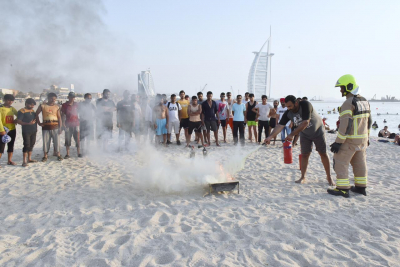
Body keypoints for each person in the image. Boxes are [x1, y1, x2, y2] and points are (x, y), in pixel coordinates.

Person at [265, 95, 334, 186]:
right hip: (305, 134)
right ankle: (303, 177)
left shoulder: (305, 105)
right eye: (287, 106)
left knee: (323, 153)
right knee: (305, 154)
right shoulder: (288, 112)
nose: (288, 108)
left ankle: (329, 177)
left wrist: (291, 135)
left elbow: (306, 122)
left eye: (290, 106)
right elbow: (280, 126)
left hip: (318, 131)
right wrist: (270, 137)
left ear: (296, 103)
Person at [328, 74, 372, 198]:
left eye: (342, 87)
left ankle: (342, 189)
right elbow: (369, 122)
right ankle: (360, 187)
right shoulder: (365, 101)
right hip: (362, 140)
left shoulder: (348, 102)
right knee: (360, 163)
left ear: (349, 86)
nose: (341, 90)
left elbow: (345, 124)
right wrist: (367, 138)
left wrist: (338, 142)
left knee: (340, 162)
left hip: (350, 140)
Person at [36, 93, 63, 162]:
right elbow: (36, 114)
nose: (53, 100)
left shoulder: (57, 106)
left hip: (55, 127)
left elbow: (59, 117)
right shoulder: (43, 106)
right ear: (48, 98)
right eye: (51, 98)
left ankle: (58, 154)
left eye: (54, 99)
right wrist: (39, 123)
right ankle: (45, 155)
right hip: (46, 127)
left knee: (57, 142)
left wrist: (60, 127)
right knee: (46, 142)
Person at [17, 98, 38, 167]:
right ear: (26, 104)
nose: (32, 106)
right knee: (26, 145)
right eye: (31, 105)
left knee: (32, 144)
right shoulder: (22, 111)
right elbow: (19, 121)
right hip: (26, 131)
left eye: (33, 105)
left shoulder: (33, 111)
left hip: (34, 130)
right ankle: (24, 161)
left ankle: (29, 158)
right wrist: (28, 123)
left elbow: (36, 119)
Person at [0, 94, 18, 166]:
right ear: (5, 100)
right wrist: (2, 130)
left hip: (12, 129)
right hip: (3, 130)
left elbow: (19, 115)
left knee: (11, 145)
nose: (10, 102)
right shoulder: (0, 108)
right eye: (9, 100)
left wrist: (16, 120)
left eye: (12, 100)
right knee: (1, 147)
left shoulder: (12, 108)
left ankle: (9, 160)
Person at [61, 92, 81, 158]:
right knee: (67, 139)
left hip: (76, 124)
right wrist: (63, 123)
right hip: (68, 124)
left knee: (77, 139)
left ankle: (79, 153)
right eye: (71, 97)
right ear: (68, 97)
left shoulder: (77, 105)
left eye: (73, 97)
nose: (72, 98)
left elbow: (81, 112)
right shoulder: (64, 105)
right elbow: (63, 114)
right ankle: (68, 154)